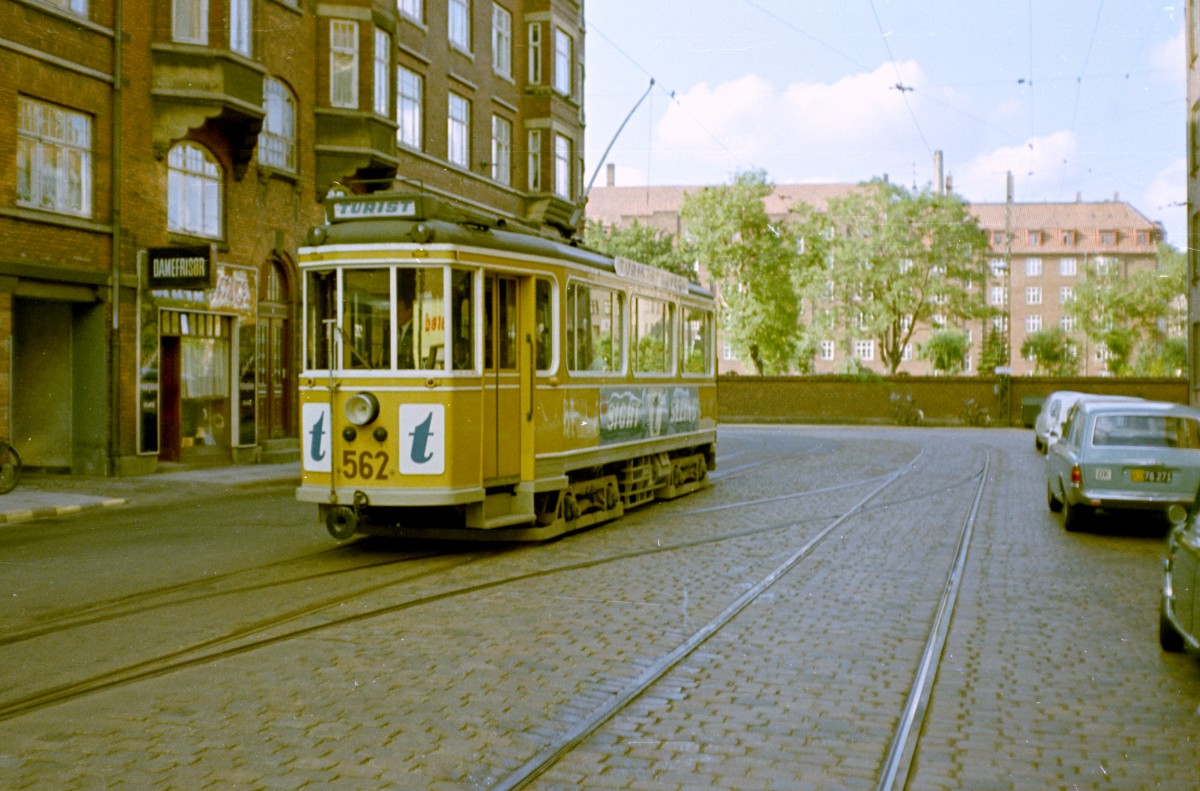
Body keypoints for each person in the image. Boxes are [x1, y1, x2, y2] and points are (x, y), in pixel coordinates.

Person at [397, 296, 415, 368]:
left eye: (399, 312)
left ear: (409, 312)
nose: (396, 316)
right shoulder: (392, 331)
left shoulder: (414, 330)